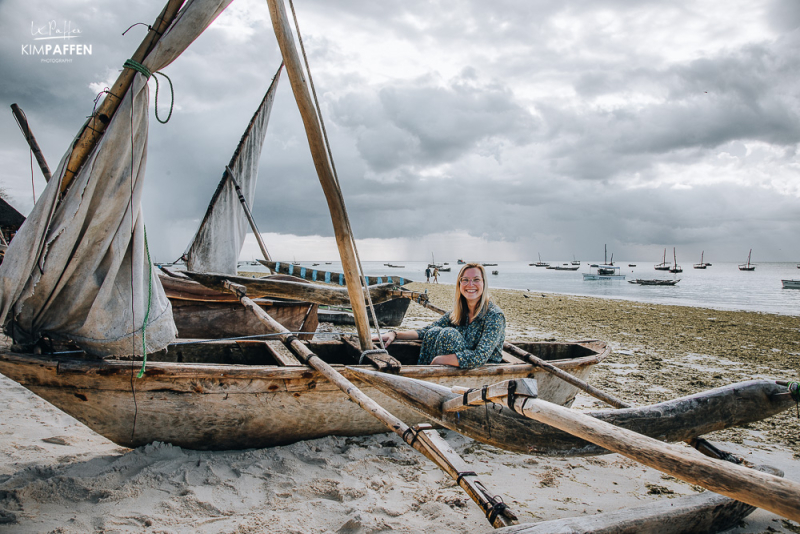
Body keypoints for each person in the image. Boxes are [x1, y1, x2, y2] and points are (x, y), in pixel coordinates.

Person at [373, 263, 505, 369]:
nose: (470, 285)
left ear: (483, 283)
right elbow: (425, 331)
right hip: (455, 367)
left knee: (448, 334)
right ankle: (425, 376)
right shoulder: (458, 313)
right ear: (460, 284)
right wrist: (394, 333)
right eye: (465, 280)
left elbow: (480, 356)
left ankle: (430, 375)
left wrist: (440, 360)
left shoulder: (494, 316)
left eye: (476, 280)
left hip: (482, 370)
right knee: (434, 332)